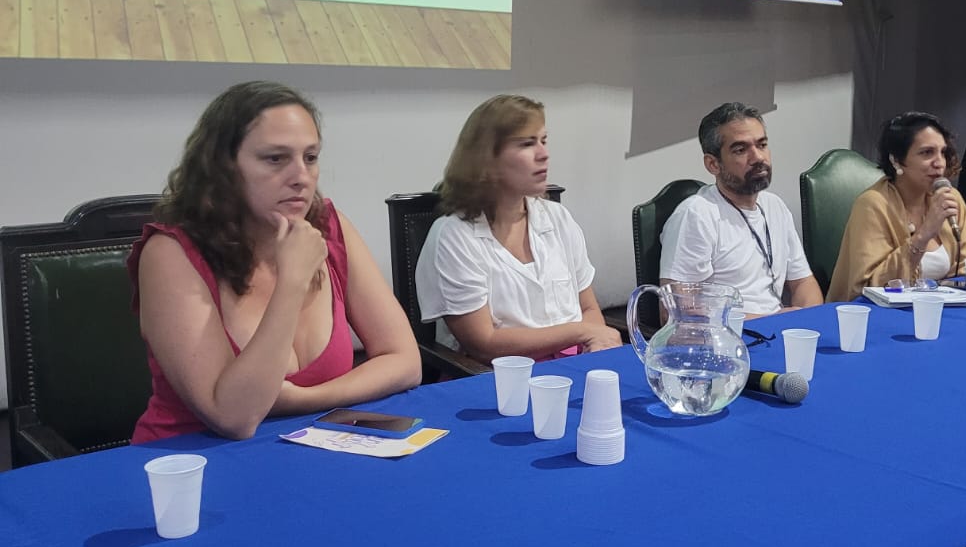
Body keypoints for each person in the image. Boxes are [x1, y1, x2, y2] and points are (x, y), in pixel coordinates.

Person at [129, 81, 421, 443]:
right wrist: (292, 282)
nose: (301, 177)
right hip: (192, 458)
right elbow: (234, 418)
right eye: (275, 159)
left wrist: (304, 400)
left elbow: (405, 361)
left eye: (310, 157)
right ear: (223, 167)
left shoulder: (329, 227)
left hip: (312, 445)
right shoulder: (170, 253)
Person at [415, 94, 622, 362]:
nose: (544, 154)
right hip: (497, 376)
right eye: (527, 143)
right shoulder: (453, 236)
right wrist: (582, 332)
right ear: (486, 158)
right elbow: (484, 343)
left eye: (544, 141)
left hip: (574, 364)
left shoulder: (558, 218)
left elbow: (589, 309)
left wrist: (594, 344)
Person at [658, 102, 823, 315]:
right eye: (740, 150)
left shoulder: (775, 206)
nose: (758, 158)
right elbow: (674, 312)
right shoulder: (696, 215)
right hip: (732, 334)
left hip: (777, 327)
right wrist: (767, 322)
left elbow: (803, 283)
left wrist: (806, 321)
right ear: (713, 164)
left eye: (762, 145)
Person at [826, 110, 966, 301]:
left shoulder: (950, 198)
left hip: (939, 307)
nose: (939, 163)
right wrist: (924, 234)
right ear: (896, 160)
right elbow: (868, 287)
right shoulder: (872, 205)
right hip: (878, 312)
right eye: (927, 153)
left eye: (943, 152)